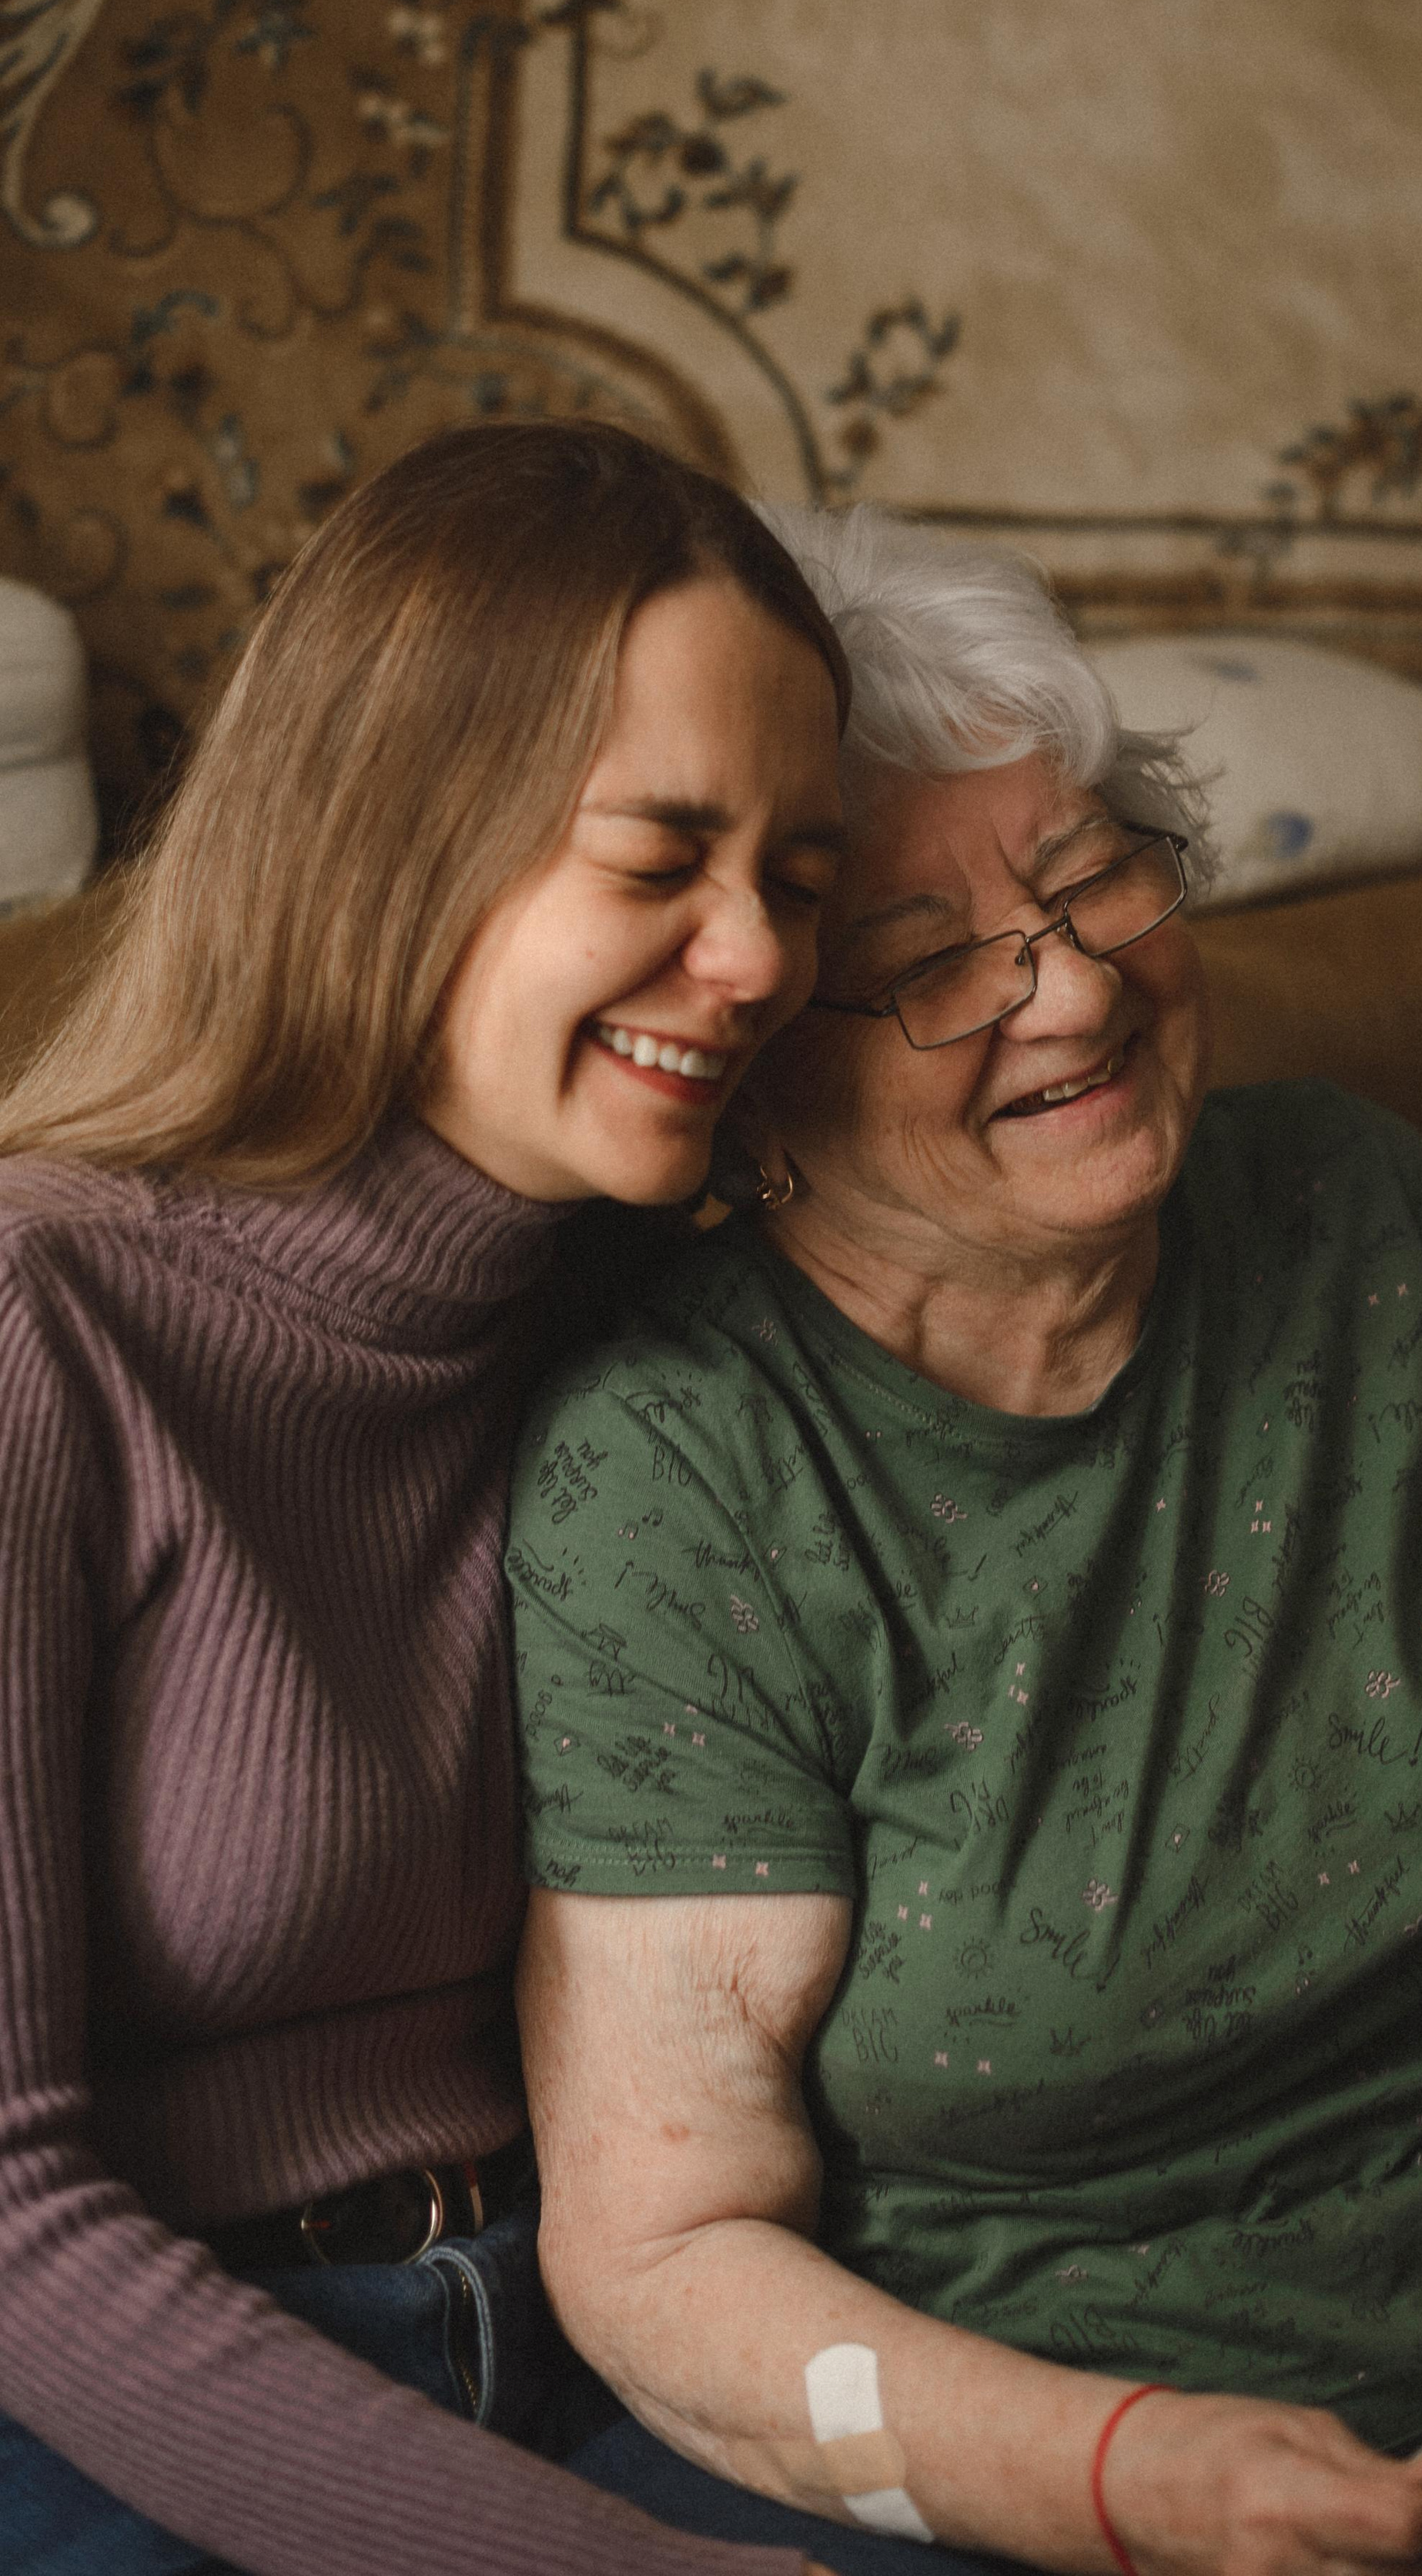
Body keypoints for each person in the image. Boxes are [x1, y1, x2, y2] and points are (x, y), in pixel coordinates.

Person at [507, 504, 1422, 2576]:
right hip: (1116, 2471)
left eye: (1094, 868)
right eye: (933, 968)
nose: (1078, 988)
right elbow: (664, 2251)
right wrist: (1119, 2471)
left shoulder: (1363, 1212)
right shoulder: (682, 1478)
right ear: (757, 1078)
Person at [0, 420, 855, 2576]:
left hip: (600, 2337)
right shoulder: (44, 1317)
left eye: (800, 875)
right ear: (397, 841)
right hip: (124, 2411)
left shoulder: (667, 1324)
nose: (753, 954)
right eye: (661, 859)